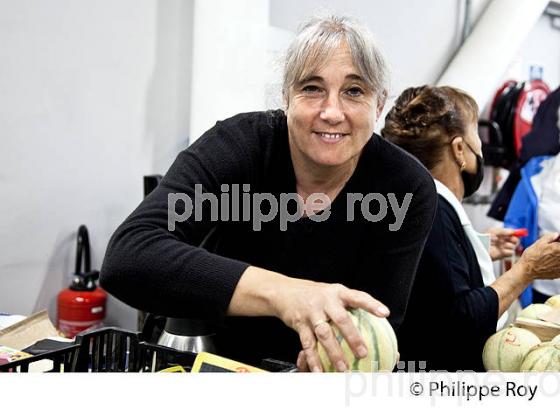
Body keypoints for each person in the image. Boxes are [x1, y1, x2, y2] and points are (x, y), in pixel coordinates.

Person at [100, 16, 437, 372]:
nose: (332, 112)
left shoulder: (404, 188)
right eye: (312, 88)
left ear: (379, 104)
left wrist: (343, 358)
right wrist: (286, 294)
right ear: (286, 97)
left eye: (354, 91)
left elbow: (377, 323)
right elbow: (128, 257)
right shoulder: (239, 147)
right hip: (210, 362)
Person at [382, 85, 560, 371]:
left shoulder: (405, 204)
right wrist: (527, 270)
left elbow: (429, 284)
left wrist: (474, 249)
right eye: (476, 134)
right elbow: (461, 322)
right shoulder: (434, 211)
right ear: (459, 149)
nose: (481, 148)